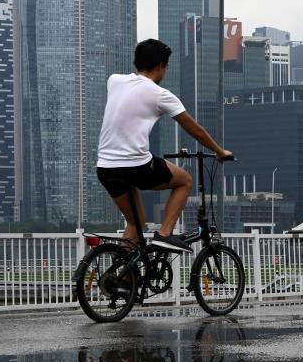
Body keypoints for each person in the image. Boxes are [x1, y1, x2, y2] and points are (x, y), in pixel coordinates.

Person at [96, 39, 231, 253]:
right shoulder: (160, 94)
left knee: (135, 222)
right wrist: (219, 151)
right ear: (161, 66)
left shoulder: (114, 81)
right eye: (166, 67)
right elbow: (194, 129)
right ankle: (165, 234)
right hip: (135, 165)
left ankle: (122, 279)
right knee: (184, 180)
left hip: (104, 167)